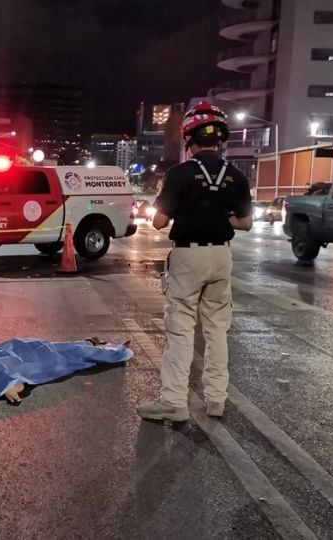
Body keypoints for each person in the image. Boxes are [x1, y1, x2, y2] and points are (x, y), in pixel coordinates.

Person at [137, 101, 254, 421]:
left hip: (188, 256)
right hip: (221, 255)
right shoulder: (237, 176)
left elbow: (159, 222)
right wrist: (221, 216)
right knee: (217, 329)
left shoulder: (179, 174)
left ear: (190, 138)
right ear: (221, 139)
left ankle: (174, 402)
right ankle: (216, 400)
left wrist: (178, 207)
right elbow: (246, 224)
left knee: (181, 329)